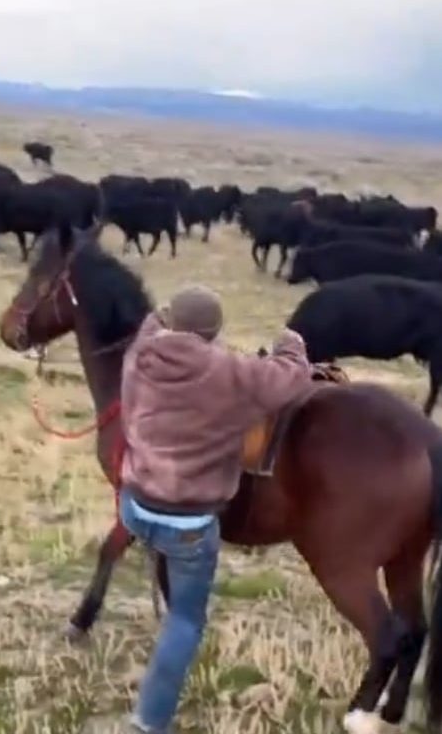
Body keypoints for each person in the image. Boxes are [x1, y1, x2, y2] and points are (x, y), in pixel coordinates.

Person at [117, 284, 312, 733]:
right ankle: (149, 722)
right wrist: (291, 344)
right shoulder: (231, 373)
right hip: (187, 522)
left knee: (168, 579)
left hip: (135, 506)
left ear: (170, 323)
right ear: (215, 332)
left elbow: (153, 322)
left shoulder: (139, 354)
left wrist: (165, 315)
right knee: (186, 621)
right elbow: (289, 379)